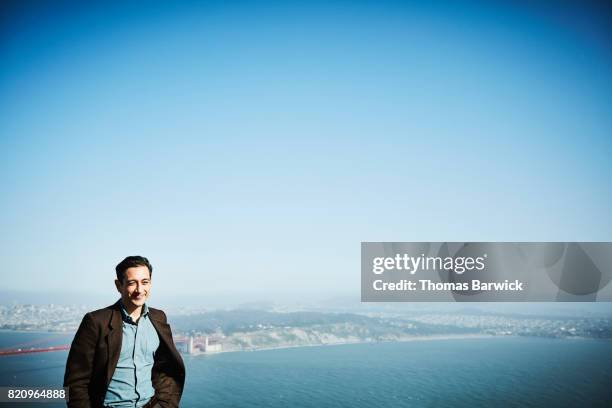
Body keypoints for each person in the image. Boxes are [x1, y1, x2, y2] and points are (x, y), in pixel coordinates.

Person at [64, 256, 185, 408]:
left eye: (145, 282)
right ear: (118, 285)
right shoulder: (96, 322)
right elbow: (74, 383)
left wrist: (165, 403)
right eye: (132, 283)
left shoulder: (159, 318)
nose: (139, 290)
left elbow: (165, 368)